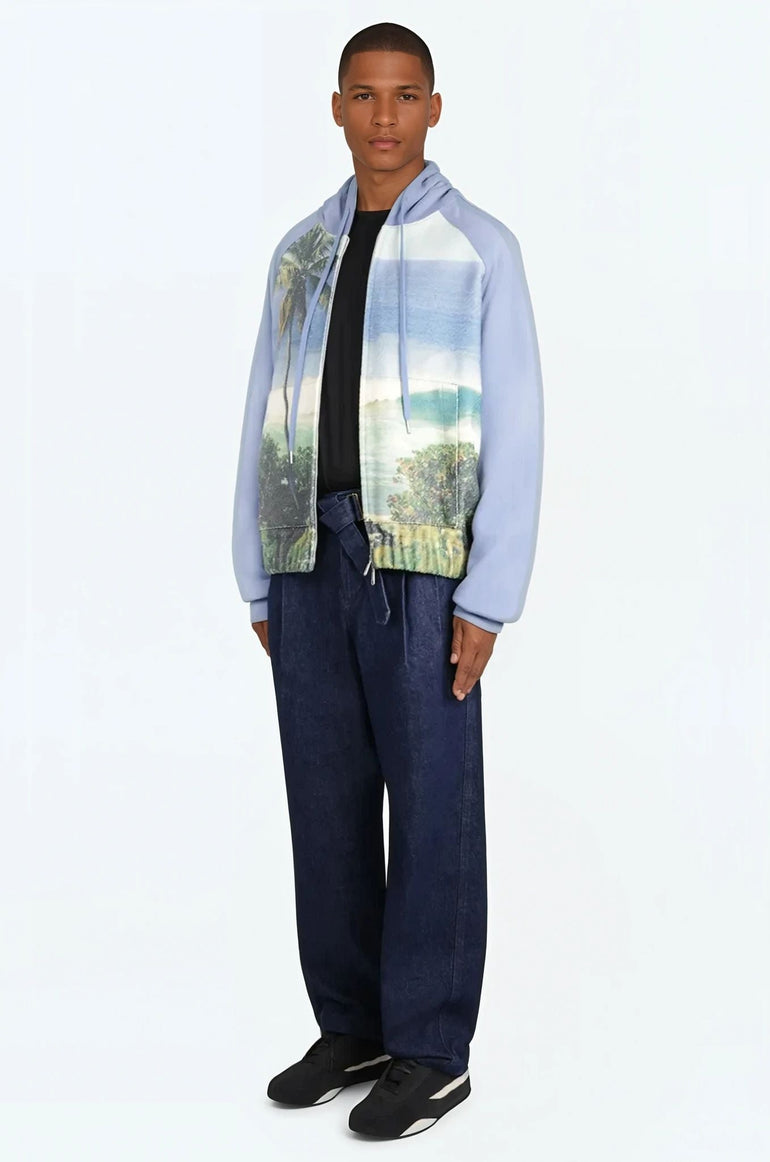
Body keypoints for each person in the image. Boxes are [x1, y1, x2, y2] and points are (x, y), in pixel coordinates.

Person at [232, 21, 544, 1140]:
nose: (383, 116)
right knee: (323, 806)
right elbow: (264, 404)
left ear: (433, 108)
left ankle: (431, 1049)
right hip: (308, 557)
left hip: (420, 564)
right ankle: (353, 1025)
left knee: (431, 806)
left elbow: (518, 424)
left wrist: (487, 593)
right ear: (336, 107)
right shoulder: (299, 253)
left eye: (404, 95)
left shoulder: (479, 248)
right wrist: (258, 573)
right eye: (364, 95)